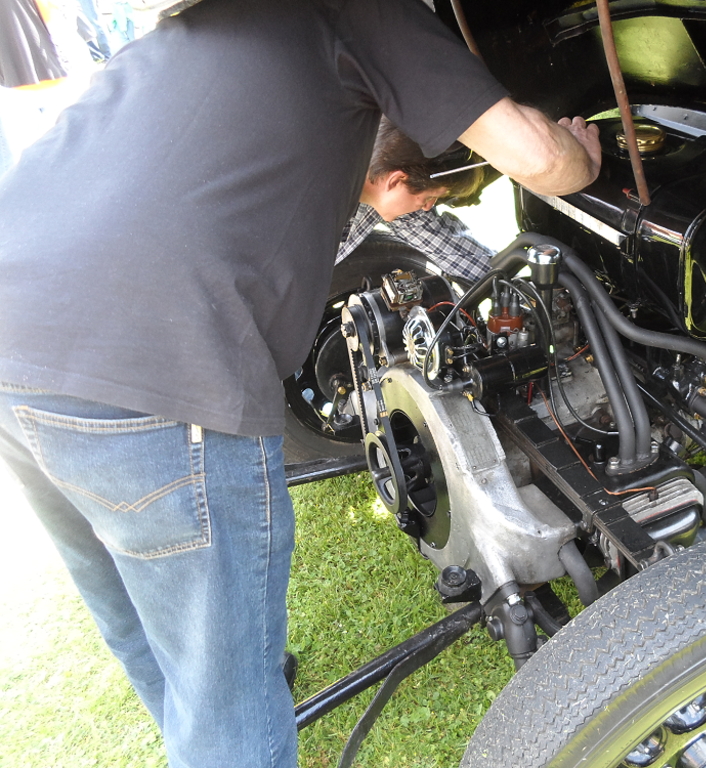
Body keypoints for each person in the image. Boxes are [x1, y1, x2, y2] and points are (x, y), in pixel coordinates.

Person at [0, 1, 600, 767]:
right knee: (231, 707)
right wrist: (585, 153)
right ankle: (227, 723)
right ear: (395, 178)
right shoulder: (361, 10)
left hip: (15, 321)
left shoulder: (223, 26)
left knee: (130, 608)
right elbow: (541, 158)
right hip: (151, 360)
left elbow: (438, 239)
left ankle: (207, 708)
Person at [339, 118, 495, 282]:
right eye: (429, 197)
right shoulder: (325, 195)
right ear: (396, 180)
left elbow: (454, 251)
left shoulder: (386, 194)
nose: (428, 206)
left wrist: (504, 273)